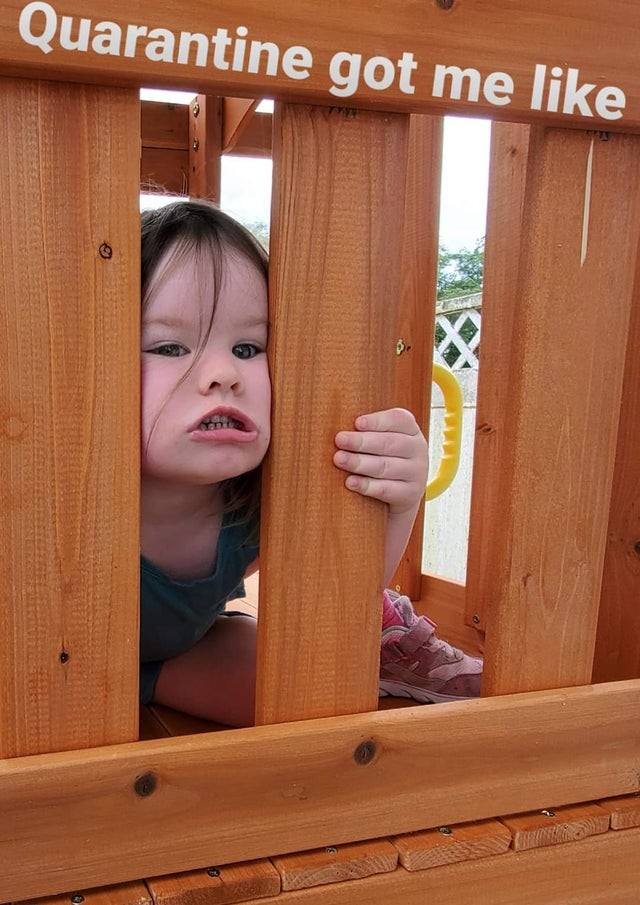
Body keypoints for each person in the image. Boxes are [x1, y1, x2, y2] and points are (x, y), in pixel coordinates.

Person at [140, 200, 482, 727]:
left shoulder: (262, 495)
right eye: (168, 346)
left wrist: (397, 502)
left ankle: (384, 633)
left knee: (307, 693)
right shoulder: (61, 500)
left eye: (250, 347)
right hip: (63, 656)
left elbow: (337, 593)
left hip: (187, 646)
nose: (223, 373)